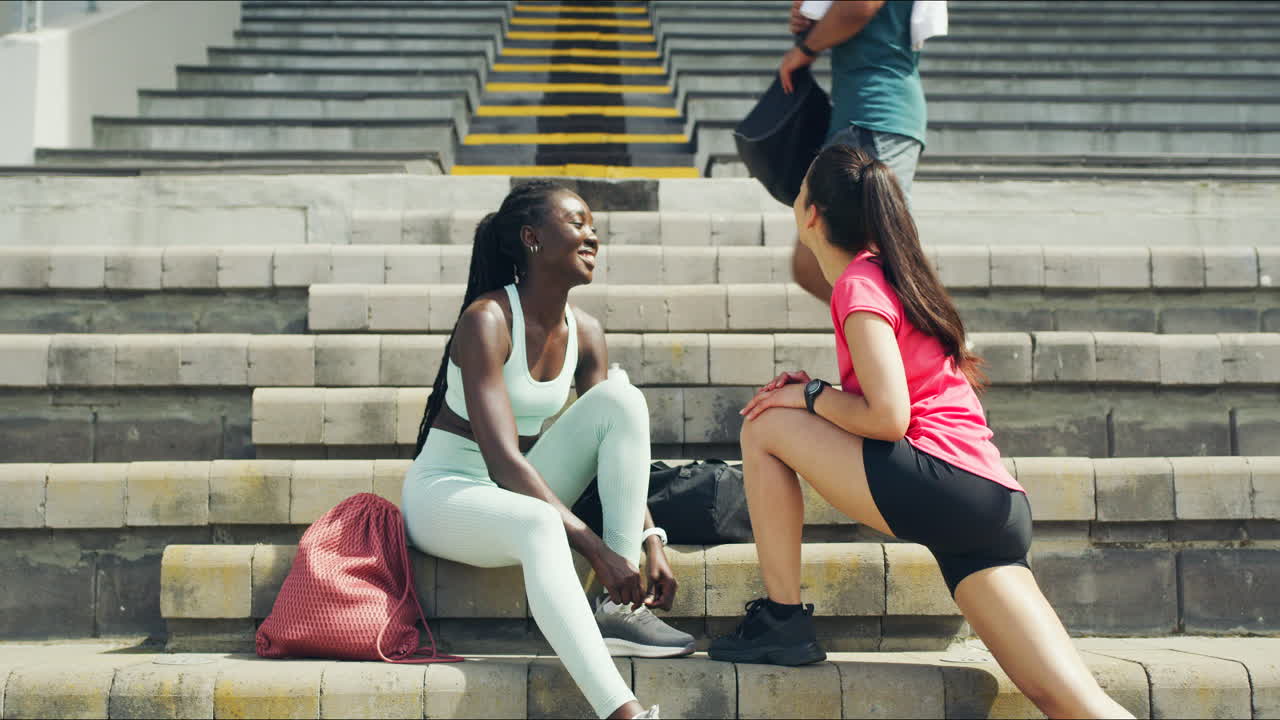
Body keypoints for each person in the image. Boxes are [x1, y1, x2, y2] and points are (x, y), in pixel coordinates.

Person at [707, 145, 1134, 720]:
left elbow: (888, 419)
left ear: (810, 214)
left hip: (946, 485)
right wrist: (816, 395)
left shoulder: (858, 286)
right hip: (992, 505)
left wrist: (806, 397)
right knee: (1072, 702)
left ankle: (782, 620)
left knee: (765, 422)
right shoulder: (890, 274)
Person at [402, 181, 693, 720]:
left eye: (593, 226)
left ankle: (615, 609)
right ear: (532, 238)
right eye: (577, 222)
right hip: (448, 492)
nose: (592, 235)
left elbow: (617, 444)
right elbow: (501, 459)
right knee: (540, 524)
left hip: (520, 488)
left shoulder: (586, 332)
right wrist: (594, 549)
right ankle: (624, 714)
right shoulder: (487, 320)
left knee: (621, 400)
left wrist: (650, 541)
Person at [780, 0, 928, 304]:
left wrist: (806, 49)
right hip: (859, 114)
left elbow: (860, 6)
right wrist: (814, 19)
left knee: (884, 265)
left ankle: (934, 344)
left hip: (876, 114)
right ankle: (907, 341)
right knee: (814, 263)